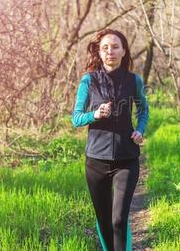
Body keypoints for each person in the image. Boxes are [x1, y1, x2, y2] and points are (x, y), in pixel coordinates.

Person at [71, 29, 149, 251]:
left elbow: (144, 110)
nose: (110, 52)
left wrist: (140, 130)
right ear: (99, 51)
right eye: (105, 47)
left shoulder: (134, 81)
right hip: (95, 161)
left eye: (115, 47)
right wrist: (94, 114)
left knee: (118, 219)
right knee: (105, 222)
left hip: (127, 158)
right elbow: (76, 118)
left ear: (124, 51)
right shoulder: (89, 80)